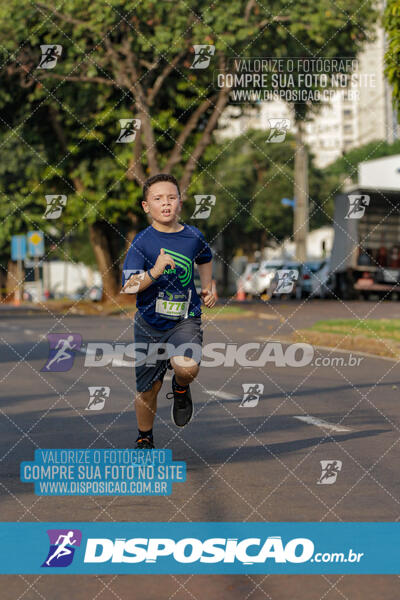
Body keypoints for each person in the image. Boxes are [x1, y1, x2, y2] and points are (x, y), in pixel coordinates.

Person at [122, 173, 216, 449]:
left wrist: (208, 285)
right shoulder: (142, 242)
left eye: (171, 198)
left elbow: (206, 256)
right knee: (148, 389)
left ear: (180, 203)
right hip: (149, 324)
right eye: (158, 199)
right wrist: (155, 271)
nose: (166, 204)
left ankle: (181, 387)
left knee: (186, 367)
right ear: (146, 206)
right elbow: (129, 286)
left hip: (185, 319)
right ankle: (144, 438)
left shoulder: (192, 236)